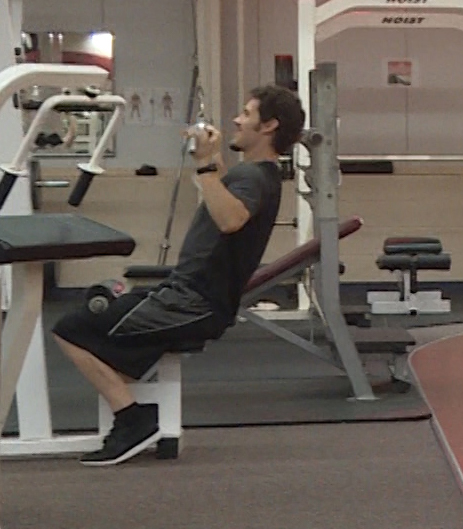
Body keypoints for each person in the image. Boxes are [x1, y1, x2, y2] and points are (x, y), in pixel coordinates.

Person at [52, 85, 305, 466]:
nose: (236, 119)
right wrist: (211, 158)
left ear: (269, 125)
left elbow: (231, 219)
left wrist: (205, 165)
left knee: (70, 328)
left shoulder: (255, 177)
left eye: (247, 114)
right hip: (187, 296)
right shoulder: (254, 174)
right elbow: (223, 200)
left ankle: (133, 420)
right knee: (99, 326)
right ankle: (133, 418)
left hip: (193, 303)